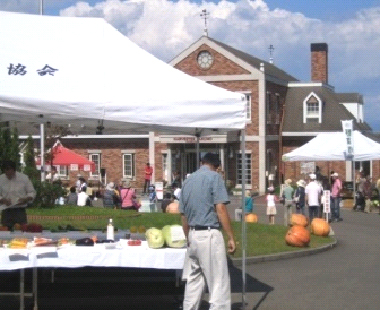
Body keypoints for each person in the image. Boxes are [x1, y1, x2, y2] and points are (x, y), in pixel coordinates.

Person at [179, 153, 235, 310]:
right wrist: (230, 236)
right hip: (209, 233)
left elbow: (183, 214)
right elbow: (221, 208)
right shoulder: (214, 178)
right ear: (217, 166)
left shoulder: (187, 180)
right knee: (218, 283)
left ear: (201, 162)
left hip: (192, 234)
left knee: (194, 281)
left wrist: (187, 236)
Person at [0, 160, 36, 230]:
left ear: (14, 170)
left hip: (20, 210)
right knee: (5, 231)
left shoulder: (23, 178)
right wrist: (2, 199)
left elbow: (31, 192)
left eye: (10, 171)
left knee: (22, 230)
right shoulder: (1, 179)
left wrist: (26, 199)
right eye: (6, 172)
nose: (8, 173)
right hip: (6, 210)